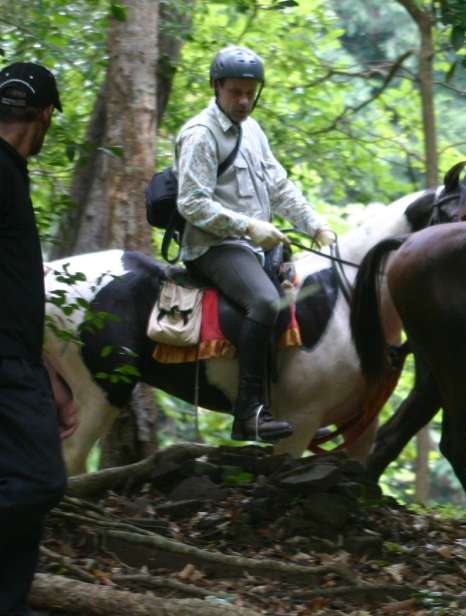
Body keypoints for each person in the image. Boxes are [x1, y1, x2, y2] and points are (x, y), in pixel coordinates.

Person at [175, 45, 335, 442]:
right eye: (235, 92)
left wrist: (316, 225)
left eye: (250, 92)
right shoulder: (200, 135)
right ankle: (247, 414)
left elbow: (279, 186)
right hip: (213, 247)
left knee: (303, 301)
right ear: (216, 87)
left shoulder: (253, 131)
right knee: (266, 302)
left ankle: (285, 410)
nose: (244, 101)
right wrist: (249, 227)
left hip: (251, 246)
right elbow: (191, 203)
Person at [0, 61, 71, 616]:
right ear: (45, 115)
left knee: (21, 484)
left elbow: (18, 283)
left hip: (20, 356)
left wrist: (49, 370)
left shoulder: (12, 170)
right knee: (41, 481)